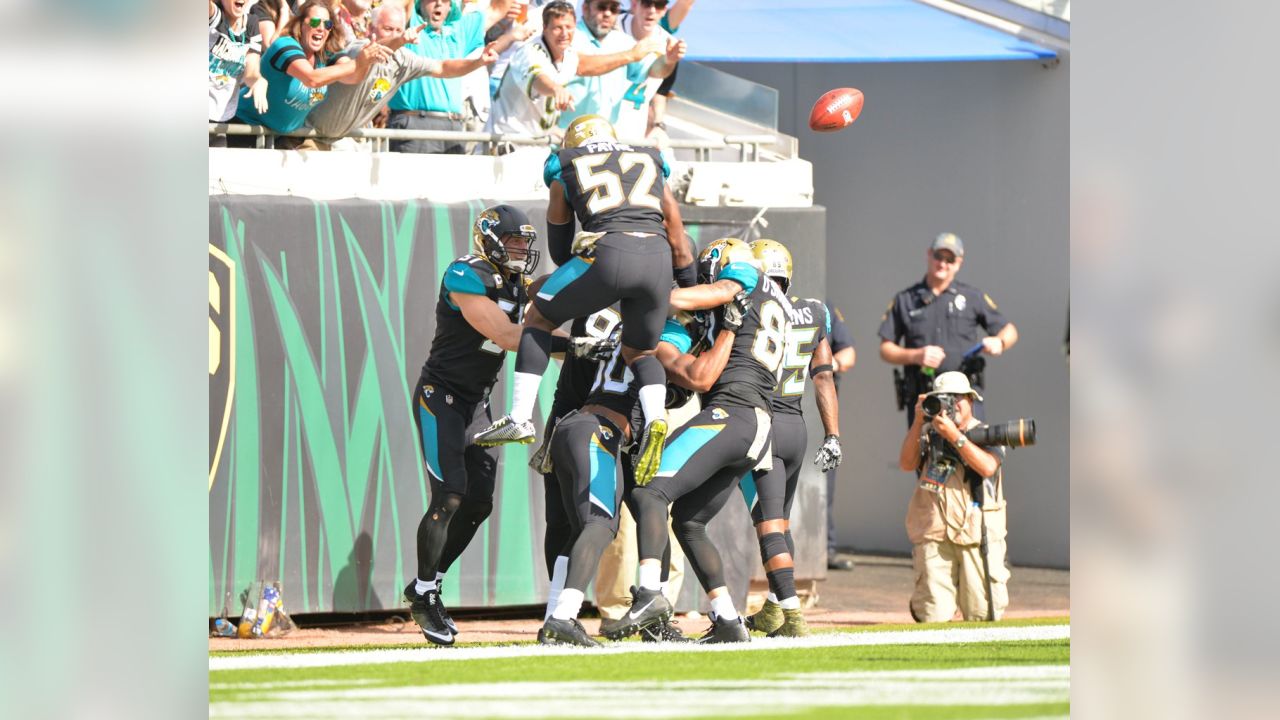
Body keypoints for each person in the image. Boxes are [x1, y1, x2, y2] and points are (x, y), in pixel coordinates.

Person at [402, 205, 613, 645]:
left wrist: (587, 264)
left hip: (476, 401)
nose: (520, 249)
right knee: (451, 494)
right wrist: (576, 345)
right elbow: (507, 336)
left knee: (479, 504)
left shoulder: (515, 282)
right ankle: (422, 593)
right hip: (440, 397)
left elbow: (551, 289)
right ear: (489, 238)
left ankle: (430, 583)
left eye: (524, 242)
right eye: (514, 241)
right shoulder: (466, 274)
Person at [471, 115, 695, 491]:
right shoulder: (650, 156)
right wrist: (687, 283)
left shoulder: (565, 161)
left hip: (609, 251)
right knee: (640, 352)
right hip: (657, 256)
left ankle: (521, 416)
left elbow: (559, 250)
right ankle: (656, 416)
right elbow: (675, 227)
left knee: (539, 317)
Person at [538, 306, 741, 646]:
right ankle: (561, 618)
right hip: (598, 434)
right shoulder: (657, 350)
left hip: (588, 431)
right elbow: (695, 376)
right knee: (599, 525)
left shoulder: (621, 337)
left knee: (649, 508)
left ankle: (650, 616)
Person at [629, 238, 796, 644]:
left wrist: (659, 297)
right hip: (758, 425)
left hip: (732, 414)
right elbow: (685, 355)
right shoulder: (763, 303)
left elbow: (718, 300)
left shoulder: (741, 276)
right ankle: (727, 619)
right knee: (689, 521)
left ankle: (650, 592)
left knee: (649, 491)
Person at [738, 239, 842, 638]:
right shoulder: (814, 311)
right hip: (796, 427)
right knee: (779, 525)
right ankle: (773, 611)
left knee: (768, 526)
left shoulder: (749, 308)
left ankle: (792, 614)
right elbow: (824, 375)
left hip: (758, 423)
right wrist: (833, 434)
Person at [898, 371, 1010, 623]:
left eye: (958, 397)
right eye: (945, 398)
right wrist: (918, 421)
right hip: (934, 534)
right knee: (932, 615)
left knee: (982, 615)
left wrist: (954, 437)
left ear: (971, 400)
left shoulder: (988, 433)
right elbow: (906, 463)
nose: (952, 404)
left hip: (976, 535)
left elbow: (987, 467)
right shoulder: (926, 432)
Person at [878, 232, 1019, 427]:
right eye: (938, 256)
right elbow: (886, 349)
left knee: (972, 453)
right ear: (929, 255)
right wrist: (916, 355)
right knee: (924, 455)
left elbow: (1009, 330)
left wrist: (1000, 342)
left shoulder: (972, 297)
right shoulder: (906, 299)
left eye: (950, 259)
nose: (943, 263)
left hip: (964, 398)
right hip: (925, 397)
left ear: (958, 263)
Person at [307, 3, 498, 139]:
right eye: (388, 29)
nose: (395, 35)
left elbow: (443, 67)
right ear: (371, 29)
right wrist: (401, 40)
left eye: (399, 30)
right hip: (311, 136)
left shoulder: (405, 59)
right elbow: (351, 73)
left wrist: (478, 62)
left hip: (348, 138)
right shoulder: (360, 48)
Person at [235, 1, 391, 146]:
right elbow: (311, 79)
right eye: (315, 22)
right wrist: (358, 63)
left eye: (327, 24)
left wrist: (366, 63)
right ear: (301, 25)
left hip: (283, 138)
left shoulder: (327, 55)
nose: (321, 28)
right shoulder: (284, 46)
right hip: (246, 129)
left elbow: (354, 77)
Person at [386, 0, 526, 154]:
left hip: (453, 126)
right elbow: (392, 5)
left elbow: (499, 7)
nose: (439, 3)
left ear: (452, 5)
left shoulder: (459, 31)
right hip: (414, 124)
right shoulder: (410, 25)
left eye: (445, 0)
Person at [555, 0, 678, 132]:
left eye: (614, 8)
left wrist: (669, 61)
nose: (607, 13)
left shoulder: (623, 41)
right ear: (585, 8)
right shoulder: (567, 36)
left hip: (605, 139)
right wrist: (629, 56)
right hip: (565, 138)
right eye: (601, 7)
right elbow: (581, 66)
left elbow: (654, 71)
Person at [614, 0, 687, 141]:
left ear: (665, 10)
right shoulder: (611, 27)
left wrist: (658, 125)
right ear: (635, 5)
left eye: (659, 5)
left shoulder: (669, 45)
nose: (652, 10)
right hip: (597, 122)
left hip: (633, 129)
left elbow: (661, 92)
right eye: (647, 3)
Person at [824, 301, 856, 570]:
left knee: (825, 479)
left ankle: (825, 549)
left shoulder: (824, 307)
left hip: (822, 413)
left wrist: (831, 363)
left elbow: (848, 354)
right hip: (785, 407)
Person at [209, 0, 267, 130]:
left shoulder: (251, 23)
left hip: (221, 117)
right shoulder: (214, 15)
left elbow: (251, 73)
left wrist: (258, 81)